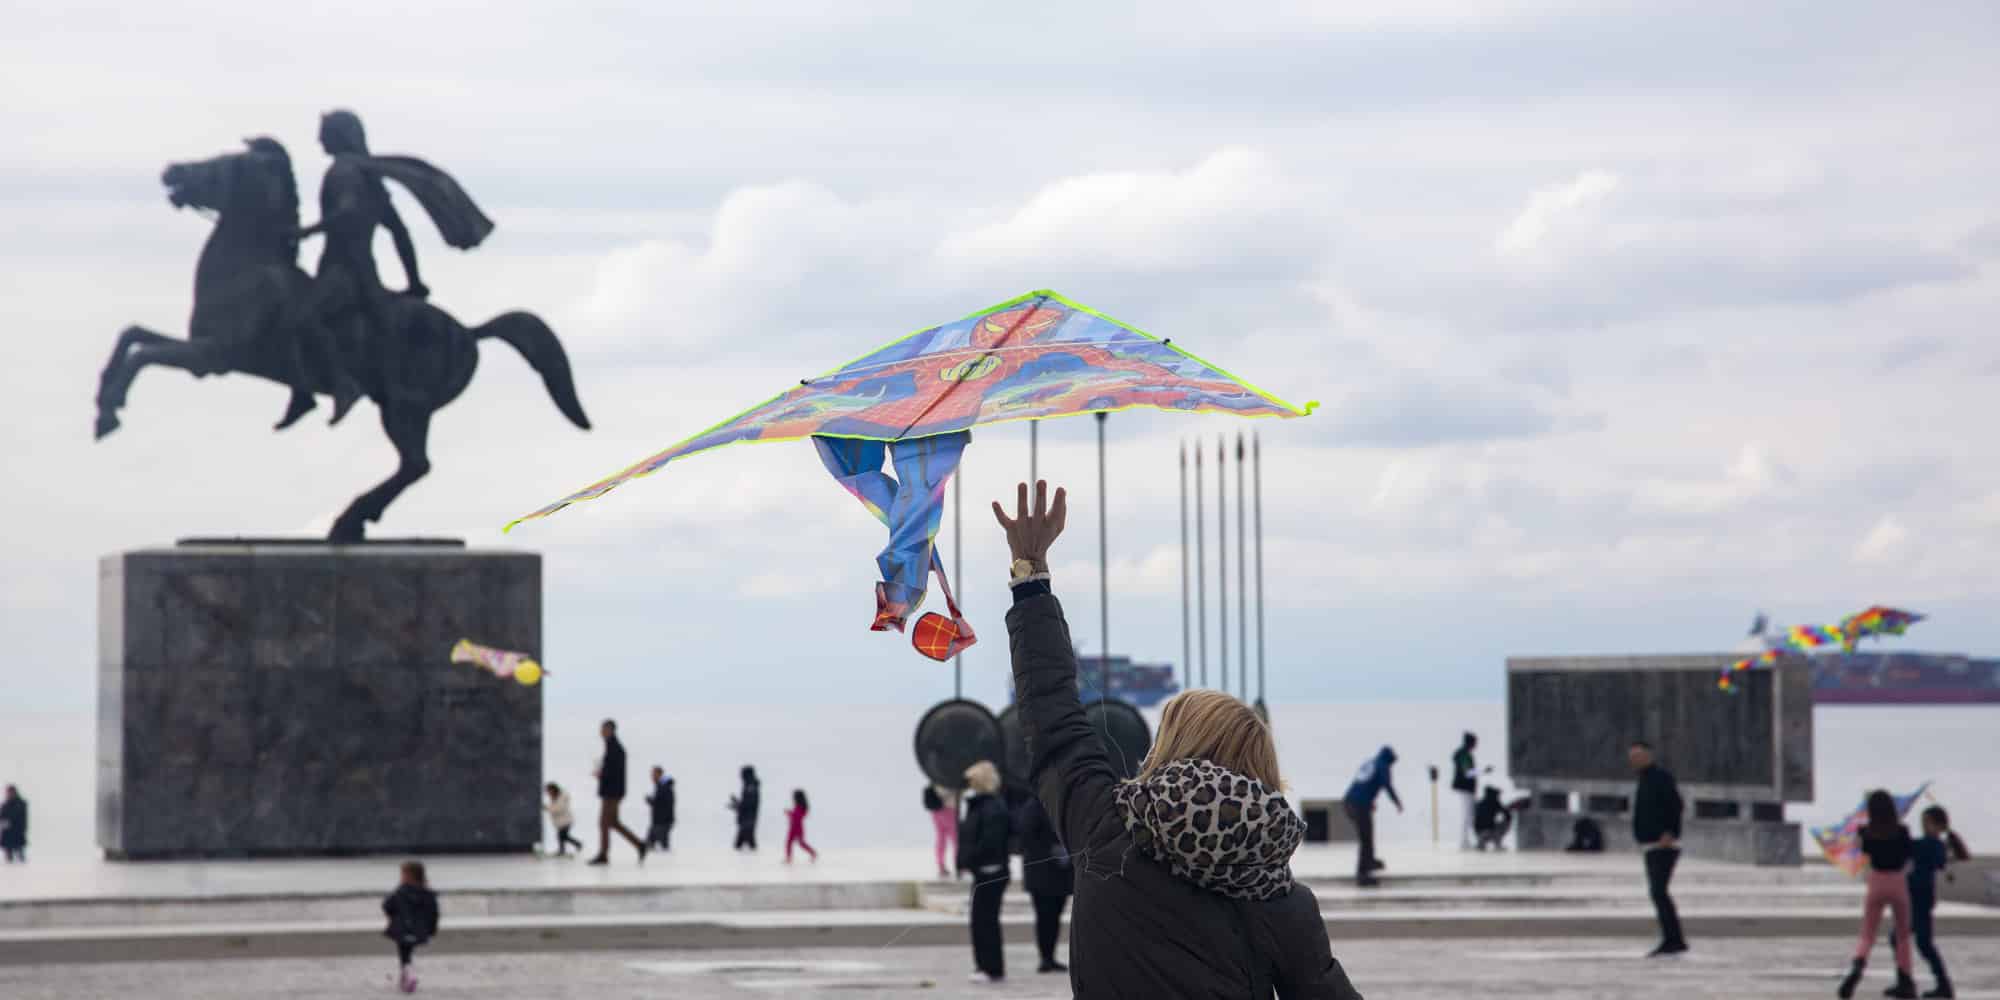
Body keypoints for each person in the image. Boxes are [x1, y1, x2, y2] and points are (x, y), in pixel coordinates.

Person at [995, 480, 1362, 998]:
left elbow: (1051, 714)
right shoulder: (1275, 889)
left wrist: (1030, 572)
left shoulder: (1103, 824)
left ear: (1169, 744)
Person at [277, 109, 492, 429]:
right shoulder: (369, 176)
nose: (319, 139)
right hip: (360, 270)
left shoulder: (344, 171)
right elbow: (399, 232)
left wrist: (306, 232)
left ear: (340, 135)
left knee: (299, 320)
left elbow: (348, 213)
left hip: (342, 271)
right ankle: (305, 394)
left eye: (325, 132)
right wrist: (414, 279)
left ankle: (340, 384)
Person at [1839, 789, 1919, 999]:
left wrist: (1859, 832)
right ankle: (1905, 979)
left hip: (1876, 881)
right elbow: (1910, 860)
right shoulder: (1902, 830)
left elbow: (1859, 850)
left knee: (1867, 934)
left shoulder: (1865, 831)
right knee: (1902, 935)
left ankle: (1857, 966)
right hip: (1898, 882)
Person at [1630, 740, 1688, 957]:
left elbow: (1676, 806)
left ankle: (1674, 939)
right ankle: (1673, 938)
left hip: (1663, 845)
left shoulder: (1660, 778)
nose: (1634, 761)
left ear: (1649, 756)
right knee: (1658, 893)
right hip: (1651, 845)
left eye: (1638, 756)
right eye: (1632, 757)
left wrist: (1669, 833)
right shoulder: (1644, 780)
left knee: (1659, 892)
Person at [957, 760, 1013, 985]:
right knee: (982, 920)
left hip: (991, 871)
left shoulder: (991, 807)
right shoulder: (979, 805)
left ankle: (990, 968)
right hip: (984, 871)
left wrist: (969, 858)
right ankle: (987, 966)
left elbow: (989, 841)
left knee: (984, 921)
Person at [1908, 805, 1970, 998]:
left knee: (1921, 942)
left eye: (1926, 822)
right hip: (1920, 897)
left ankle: (1940, 984)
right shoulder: (1935, 845)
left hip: (1920, 897)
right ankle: (1937, 983)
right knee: (1912, 940)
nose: (1923, 826)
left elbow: (1912, 849)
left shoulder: (1931, 844)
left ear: (1938, 825)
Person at [1016, 794, 1073, 974]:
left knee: (1054, 917)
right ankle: (1046, 957)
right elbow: (1026, 836)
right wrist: (1052, 850)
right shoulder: (1034, 806)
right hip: (1042, 874)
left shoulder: (1061, 803)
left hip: (1059, 873)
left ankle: (1049, 956)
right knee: (1045, 917)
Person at [589, 720, 647, 866]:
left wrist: (601, 774)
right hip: (612, 792)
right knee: (613, 823)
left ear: (610, 730)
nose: (601, 732)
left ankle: (604, 854)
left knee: (604, 823)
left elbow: (614, 772)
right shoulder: (612, 747)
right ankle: (639, 845)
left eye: (603, 729)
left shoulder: (615, 748)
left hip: (612, 793)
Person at [1343, 746, 1402, 888]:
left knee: (1368, 835)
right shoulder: (1383, 765)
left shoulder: (1371, 762)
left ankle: (1369, 861)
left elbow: (1364, 785)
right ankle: (1362, 875)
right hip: (1359, 805)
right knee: (1366, 839)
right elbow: (1387, 785)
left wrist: (1369, 802)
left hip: (1350, 802)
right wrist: (1397, 802)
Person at [381, 860, 439, 994]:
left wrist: (393, 916)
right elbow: (434, 913)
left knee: (404, 951)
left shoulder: (401, 891)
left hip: (402, 928)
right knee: (408, 951)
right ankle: (405, 976)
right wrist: (431, 929)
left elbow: (387, 905)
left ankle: (408, 974)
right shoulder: (428, 894)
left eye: (402, 874)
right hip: (419, 930)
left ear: (408, 876)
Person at [925, 782, 960, 878]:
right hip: (949, 810)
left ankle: (941, 865)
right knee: (955, 839)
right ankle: (959, 865)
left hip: (936, 812)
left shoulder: (935, 778)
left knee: (941, 839)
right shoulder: (948, 780)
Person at [1451, 732, 1479, 849]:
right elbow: (1468, 772)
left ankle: (1466, 840)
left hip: (1466, 788)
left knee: (1469, 815)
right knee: (1467, 815)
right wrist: (1482, 771)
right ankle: (1464, 842)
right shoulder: (1464, 755)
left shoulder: (1463, 754)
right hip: (1465, 788)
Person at [543, 782, 581, 858]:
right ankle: (569, 847)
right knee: (563, 836)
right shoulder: (555, 797)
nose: (548, 793)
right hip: (561, 821)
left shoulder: (561, 797)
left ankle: (572, 846)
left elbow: (560, 808)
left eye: (548, 791)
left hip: (566, 821)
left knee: (562, 836)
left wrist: (547, 808)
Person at [730, 765, 762, 851]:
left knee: (740, 844)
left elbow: (749, 803)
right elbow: (748, 802)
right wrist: (737, 803)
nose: (740, 776)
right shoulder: (750, 785)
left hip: (747, 820)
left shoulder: (750, 786)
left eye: (742, 774)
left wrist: (737, 805)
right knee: (748, 844)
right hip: (748, 819)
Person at [645, 767, 675, 852]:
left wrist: (651, 801)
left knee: (663, 848)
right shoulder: (662, 786)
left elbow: (662, 804)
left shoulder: (664, 787)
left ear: (659, 774)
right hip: (659, 822)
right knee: (651, 845)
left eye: (653, 774)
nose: (652, 777)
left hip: (662, 822)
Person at [785, 789, 819, 863]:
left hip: (797, 827)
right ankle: (788, 858)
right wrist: (790, 813)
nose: (793, 798)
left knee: (800, 843)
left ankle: (813, 853)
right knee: (790, 842)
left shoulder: (802, 807)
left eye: (794, 797)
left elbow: (797, 817)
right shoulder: (799, 806)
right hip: (794, 827)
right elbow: (795, 816)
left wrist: (789, 813)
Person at [1473, 787, 1511, 851]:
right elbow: (1507, 815)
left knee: (1487, 828)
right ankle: (1497, 843)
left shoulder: (1479, 804)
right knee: (1505, 822)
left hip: (1479, 832)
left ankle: (1481, 842)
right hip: (1490, 831)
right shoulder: (1495, 802)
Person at [0, 785, 25, 863]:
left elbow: (19, 817)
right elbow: (2, 816)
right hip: (7, 832)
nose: (9, 794)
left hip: (17, 831)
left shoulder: (20, 804)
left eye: (11, 792)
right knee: (8, 854)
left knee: (19, 853)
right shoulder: (6, 804)